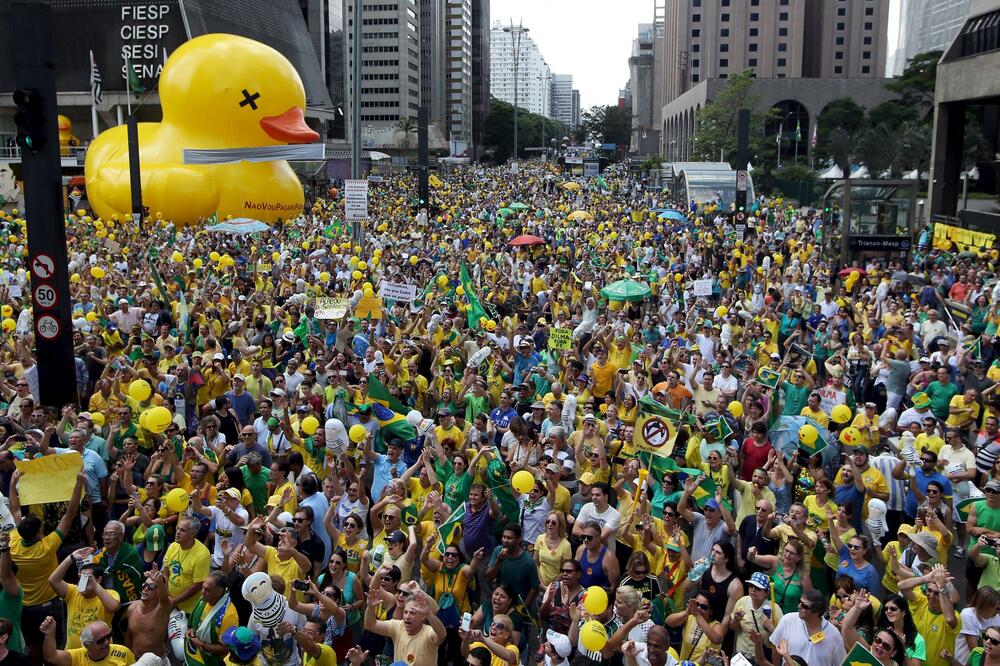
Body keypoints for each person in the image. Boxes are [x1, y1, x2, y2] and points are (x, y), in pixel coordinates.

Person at [362, 580, 445, 666]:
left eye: (412, 613)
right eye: (405, 612)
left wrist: (429, 613)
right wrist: (370, 607)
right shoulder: (397, 626)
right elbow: (370, 625)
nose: (407, 616)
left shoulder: (428, 632)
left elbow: (441, 634)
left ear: (422, 617)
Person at [769, 589, 847, 666]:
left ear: (817, 612)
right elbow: (776, 648)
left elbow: (841, 662)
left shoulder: (833, 633)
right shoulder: (788, 620)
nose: (799, 606)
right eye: (799, 602)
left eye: (804, 606)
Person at [39, 617, 134, 666]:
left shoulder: (124, 653)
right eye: (100, 641)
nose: (106, 642)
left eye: (108, 637)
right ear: (87, 645)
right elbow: (51, 657)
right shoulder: (77, 657)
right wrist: (49, 634)